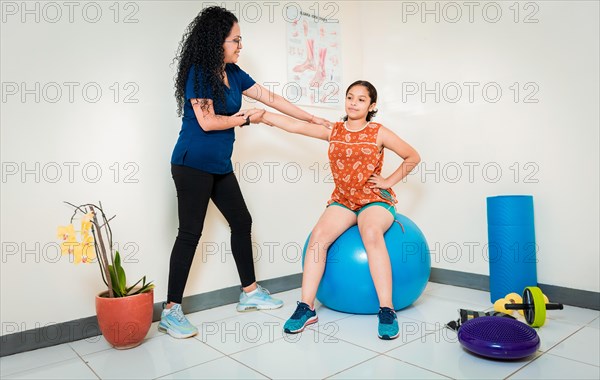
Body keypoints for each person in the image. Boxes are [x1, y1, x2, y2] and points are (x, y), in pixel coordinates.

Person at [161, 6, 331, 339]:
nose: (240, 46)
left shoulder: (234, 73)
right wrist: (247, 118)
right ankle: (171, 311)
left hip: (219, 165)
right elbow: (208, 122)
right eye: (235, 40)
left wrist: (312, 118)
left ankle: (249, 292)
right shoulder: (199, 72)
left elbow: (272, 99)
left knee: (241, 222)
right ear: (216, 41)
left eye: (241, 40)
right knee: (190, 234)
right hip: (191, 163)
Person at [257, 80, 421, 340]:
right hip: (344, 199)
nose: (353, 103)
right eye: (350, 97)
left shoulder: (379, 132)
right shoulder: (334, 130)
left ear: (372, 105)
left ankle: (387, 309)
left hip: (374, 199)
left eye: (361, 99)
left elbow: (413, 156)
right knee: (318, 237)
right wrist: (263, 116)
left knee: (370, 234)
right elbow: (296, 126)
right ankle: (306, 307)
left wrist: (388, 181)